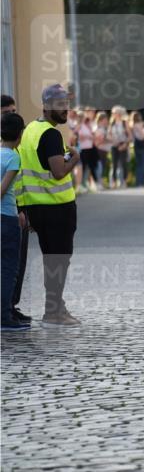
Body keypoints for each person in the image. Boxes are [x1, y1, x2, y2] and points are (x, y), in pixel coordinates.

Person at [20, 84, 81, 325]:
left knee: (51, 259)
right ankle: (53, 312)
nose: (65, 109)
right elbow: (58, 172)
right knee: (59, 261)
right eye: (60, 104)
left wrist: (24, 208)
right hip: (57, 208)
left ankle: (55, 307)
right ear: (46, 106)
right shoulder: (51, 134)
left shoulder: (30, 130)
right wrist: (74, 159)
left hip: (37, 207)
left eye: (66, 104)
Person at [1, 112, 29, 331]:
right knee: (9, 269)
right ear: (20, 135)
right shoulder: (13, 157)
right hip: (7, 219)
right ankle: (4, 316)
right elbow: (3, 190)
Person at [109, 106, 131, 189]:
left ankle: (124, 181)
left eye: (115, 113)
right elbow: (109, 135)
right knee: (114, 164)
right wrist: (112, 140)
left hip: (123, 144)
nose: (113, 114)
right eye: (113, 113)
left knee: (123, 163)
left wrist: (125, 144)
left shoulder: (124, 123)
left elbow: (130, 136)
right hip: (114, 145)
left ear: (119, 113)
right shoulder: (112, 123)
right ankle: (114, 182)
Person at [130, 111, 144, 187]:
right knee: (143, 164)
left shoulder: (131, 125)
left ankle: (138, 182)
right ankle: (141, 182)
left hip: (136, 145)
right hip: (141, 145)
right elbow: (143, 135)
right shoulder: (138, 124)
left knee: (139, 165)